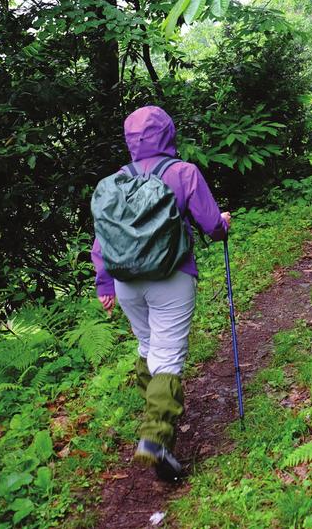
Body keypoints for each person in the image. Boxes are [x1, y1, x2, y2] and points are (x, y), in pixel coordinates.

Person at [91, 106, 231, 482]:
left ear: (130, 140)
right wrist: (223, 226)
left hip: (125, 283)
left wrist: (104, 283)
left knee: (147, 345)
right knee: (167, 354)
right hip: (171, 275)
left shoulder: (116, 182)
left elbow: (103, 237)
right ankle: (156, 438)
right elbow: (209, 224)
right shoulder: (183, 172)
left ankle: (157, 409)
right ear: (169, 134)